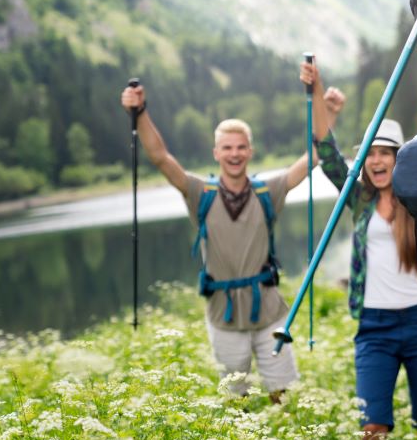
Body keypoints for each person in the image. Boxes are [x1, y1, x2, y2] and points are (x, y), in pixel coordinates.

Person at [119, 83, 342, 403]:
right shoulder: (200, 193)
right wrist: (139, 114)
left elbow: (312, 160)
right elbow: (160, 158)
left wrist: (328, 113)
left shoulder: (268, 190)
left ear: (250, 151)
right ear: (216, 153)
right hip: (222, 316)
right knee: (236, 402)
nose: (234, 154)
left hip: (269, 312)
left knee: (285, 396)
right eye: (227, 148)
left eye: (240, 147)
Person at [299, 60, 417, 440]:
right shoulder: (358, 199)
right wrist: (316, 89)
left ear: (400, 158)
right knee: (371, 428)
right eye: (370, 153)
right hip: (374, 328)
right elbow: (326, 150)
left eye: (385, 152)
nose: (377, 160)